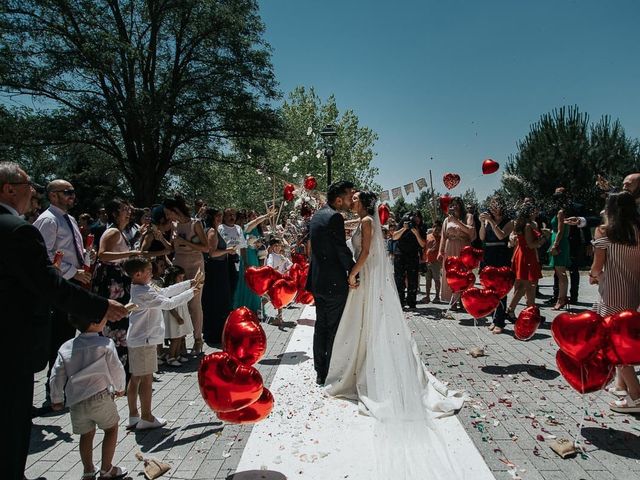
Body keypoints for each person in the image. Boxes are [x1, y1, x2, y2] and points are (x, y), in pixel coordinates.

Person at [0, 161, 128, 480]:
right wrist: (100, 306)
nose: (34, 194)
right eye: (31, 187)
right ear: (9, 188)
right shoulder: (25, 227)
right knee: (12, 418)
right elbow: (44, 273)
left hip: (65, 292)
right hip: (16, 332)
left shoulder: (62, 220)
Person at [325, 191, 464, 480]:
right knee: (364, 321)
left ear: (363, 203)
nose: (351, 199)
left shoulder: (365, 220)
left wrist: (352, 273)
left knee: (362, 321)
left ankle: (361, 366)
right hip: (372, 273)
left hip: (366, 273)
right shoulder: (364, 219)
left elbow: (364, 253)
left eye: (355, 198)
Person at [33, 179, 94, 411]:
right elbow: (45, 258)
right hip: (59, 287)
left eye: (73, 192)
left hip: (74, 285)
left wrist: (87, 260)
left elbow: (72, 252)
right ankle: (53, 393)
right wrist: (72, 272)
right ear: (53, 195)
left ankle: (65, 388)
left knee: (68, 337)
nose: (72, 196)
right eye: (67, 192)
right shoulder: (47, 221)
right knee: (58, 340)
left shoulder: (68, 219)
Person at [124, 257, 201, 430]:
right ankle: (146, 416)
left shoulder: (144, 287)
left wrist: (189, 283)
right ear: (138, 274)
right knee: (146, 379)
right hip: (145, 340)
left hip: (139, 339)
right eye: (148, 271)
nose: (152, 273)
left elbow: (165, 291)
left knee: (136, 378)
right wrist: (192, 292)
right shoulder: (144, 292)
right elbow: (168, 303)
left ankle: (133, 415)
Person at [49, 315, 127, 480]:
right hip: (101, 397)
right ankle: (107, 468)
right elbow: (116, 368)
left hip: (76, 401)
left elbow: (56, 375)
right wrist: (120, 387)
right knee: (111, 429)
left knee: (86, 434)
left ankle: (88, 470)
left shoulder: (66, 347)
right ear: (95, 322)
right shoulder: (105, 344)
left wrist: (56, 398)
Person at [588, 191, 640, 413]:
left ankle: (637, 397)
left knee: (614, 347)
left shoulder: (604, 232)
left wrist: (593, 276)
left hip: (612, 293)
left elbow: (597, 267)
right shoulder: (638, 231)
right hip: (633, 292)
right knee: (624, 339)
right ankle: (621, 386)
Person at [306, 180, 356, 386]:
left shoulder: (317, 215)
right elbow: (340, 249)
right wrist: (354, 270)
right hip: (334, 283)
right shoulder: (335, 217)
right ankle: (329, 371)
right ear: (338, 199)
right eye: (349, 196)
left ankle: (320, 370)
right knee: (333, 327)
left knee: (321, 326)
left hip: (317, 281)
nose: (351, 200)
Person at [164, 196, 209, 354]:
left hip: (196, 265)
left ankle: (198, 339)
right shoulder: (173, 225)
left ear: (175, 210)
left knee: (195, 304)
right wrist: (160, 238)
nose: (167, 216)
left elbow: (206, 248)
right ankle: (180, 340)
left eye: (168, 213)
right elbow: (171, 247)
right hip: (179, 266)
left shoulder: (195, 224)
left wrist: (186, 243)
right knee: (178, 303)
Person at [479, 196, 514, 334]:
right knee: (490, 289)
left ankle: (500, 321)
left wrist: (492, 222)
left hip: (501, 254)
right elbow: (482, 237)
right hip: (488, 254)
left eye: (496, 205)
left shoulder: (509, 222)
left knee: (501, 290)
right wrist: (482, 223)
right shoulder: (488, 221)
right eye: (491, 204)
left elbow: (501, 236)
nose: (493, 207)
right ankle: (494, 318)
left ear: (501, 206)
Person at [202, 208, 236, 347]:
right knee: (218, 302)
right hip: (215, 269)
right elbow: (212, 253)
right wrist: (229, 250)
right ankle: (215, 333)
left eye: (221, 215)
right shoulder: (211, 231)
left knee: (219, 301)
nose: (220, 218)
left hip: (219, 268)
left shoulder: (214, 230)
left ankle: (218, 332)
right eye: (218, 216)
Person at [438, 197, 476, 306]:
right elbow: (443, 237)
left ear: (461, 205)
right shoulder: (447, 220)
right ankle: (452, 300)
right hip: (450, 247)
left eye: (456, 204)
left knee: (464, 273)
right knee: (451, 273)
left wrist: (457, 222)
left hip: (463, 248)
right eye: (452, 205)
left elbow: (470, 231)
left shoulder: (468, 216)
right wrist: (440, 251)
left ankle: (464, 300)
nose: (454, 207)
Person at [391, 211, 426, 309]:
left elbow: (423, 244)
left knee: (413, 280)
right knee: (399, 279)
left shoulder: (421, 227)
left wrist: (416, 233)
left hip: (413, 255)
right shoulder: (403, 223)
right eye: (415, 218)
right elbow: (394, 237)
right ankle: (400, 302)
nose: (416, 221)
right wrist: (404, 228)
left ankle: (411, 302)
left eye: (418, 218)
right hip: (400, 254)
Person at [162, 265, 194, 367]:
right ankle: (171, 357)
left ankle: (177, 354)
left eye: (182, 277)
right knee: (175, 337)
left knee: (180, 336)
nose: (181, 279)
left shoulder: (181, 287)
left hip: (182, 312)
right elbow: (170, 306)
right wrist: (177, 317)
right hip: (174, 315)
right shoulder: (171, 289)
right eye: (179, 277)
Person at [548, 190, 571, 310]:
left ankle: (561, 299)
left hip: (559, 242)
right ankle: (562, 298)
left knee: (561, 272)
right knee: (559, 272)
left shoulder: (561, 212)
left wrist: (555, 244)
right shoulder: (562, 211)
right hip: (559, 240)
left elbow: (561, 230)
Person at [266, 238, 293, 325]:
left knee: (279, 299)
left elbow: (290, 264)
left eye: (279, 245)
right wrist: (275, 268)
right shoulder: (271, 256)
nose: (277, 247)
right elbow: (269, 267)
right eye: (275, 246)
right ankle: (260, 309)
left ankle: (279, 317)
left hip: (280, 280)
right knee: (268, 298)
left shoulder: (282, 256)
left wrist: (286, 270)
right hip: (273, 280)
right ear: (272, 247)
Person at [422, 220, 442, 303]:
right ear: (432, 228)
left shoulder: (441, 238)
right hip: (427, 261)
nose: (437, 231)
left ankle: (437, 296)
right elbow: (424, 248)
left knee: (437, 279)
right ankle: (427, 296)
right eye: (435, 229)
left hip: (436, 262)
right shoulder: (428, 236)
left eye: (439, 229)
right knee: (428, 280)